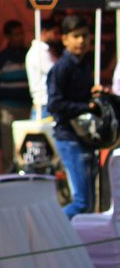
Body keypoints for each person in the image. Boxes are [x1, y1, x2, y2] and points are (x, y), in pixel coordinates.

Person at [48, 15, 101, 219]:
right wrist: (85, 106)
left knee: (89, 203)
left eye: (85, 36)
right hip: (69, 138)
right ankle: (52, 230)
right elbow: (54, 104)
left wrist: (93, 95)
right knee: (82, 203)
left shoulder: (83, 64)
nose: (81, 41)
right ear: (65, 39)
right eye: (76, 36)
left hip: (84, 137)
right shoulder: (62, 67)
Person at [0, 20, 32, 171]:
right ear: (8, 37)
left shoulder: (30, 55)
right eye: (16, 34)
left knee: (26, 148)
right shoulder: (0, 59)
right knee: (8, 148)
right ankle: (8, 174)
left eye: (21, 34)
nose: (20, 37)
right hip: (8, 110)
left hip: (28, 109)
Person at [26, 19, 63, 120]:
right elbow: (59, 74)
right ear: (44, 32)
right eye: (55, 33)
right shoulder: (38, 52)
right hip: (44, 106)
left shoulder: (46, 51)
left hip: (47, 105)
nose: (58, 37)